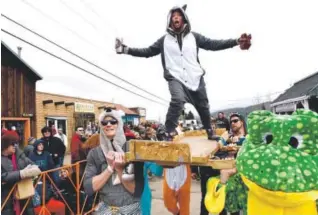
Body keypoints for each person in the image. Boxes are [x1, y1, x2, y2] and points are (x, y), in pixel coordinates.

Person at [116, 4, 251, 141]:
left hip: (195, 78)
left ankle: (209, 131)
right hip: (176, 78)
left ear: (184, 19)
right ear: (170, 21)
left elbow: (214, 44)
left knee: (203, 105)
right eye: (173, 16)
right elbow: (147, 52)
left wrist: (236, 41)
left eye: (179, 15)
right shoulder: (164, 41)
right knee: (177, 99)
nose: (176, 18)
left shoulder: (194, 37)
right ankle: (168, 132)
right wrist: (126, 50)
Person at [83, 109, 144, 214]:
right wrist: (110, 168)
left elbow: (137, 191)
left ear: (119, 124)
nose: (108, 124)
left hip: (131, 209)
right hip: (105, 209)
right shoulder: (95, 153)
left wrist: (120, 170)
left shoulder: (133, 149)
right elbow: (88, 187)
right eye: (104, 122)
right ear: (101, 126)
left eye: (113, 121)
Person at [1, 134, 41, 215]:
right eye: (12, 144)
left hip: (24, 192)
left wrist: (33, 170)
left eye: (16, 143)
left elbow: (33, 165)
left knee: (27, 210)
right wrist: (21, 174)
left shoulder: (19, 155)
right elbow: (2, 176)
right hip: (6, 195)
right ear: (5, 145)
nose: (14, 146)